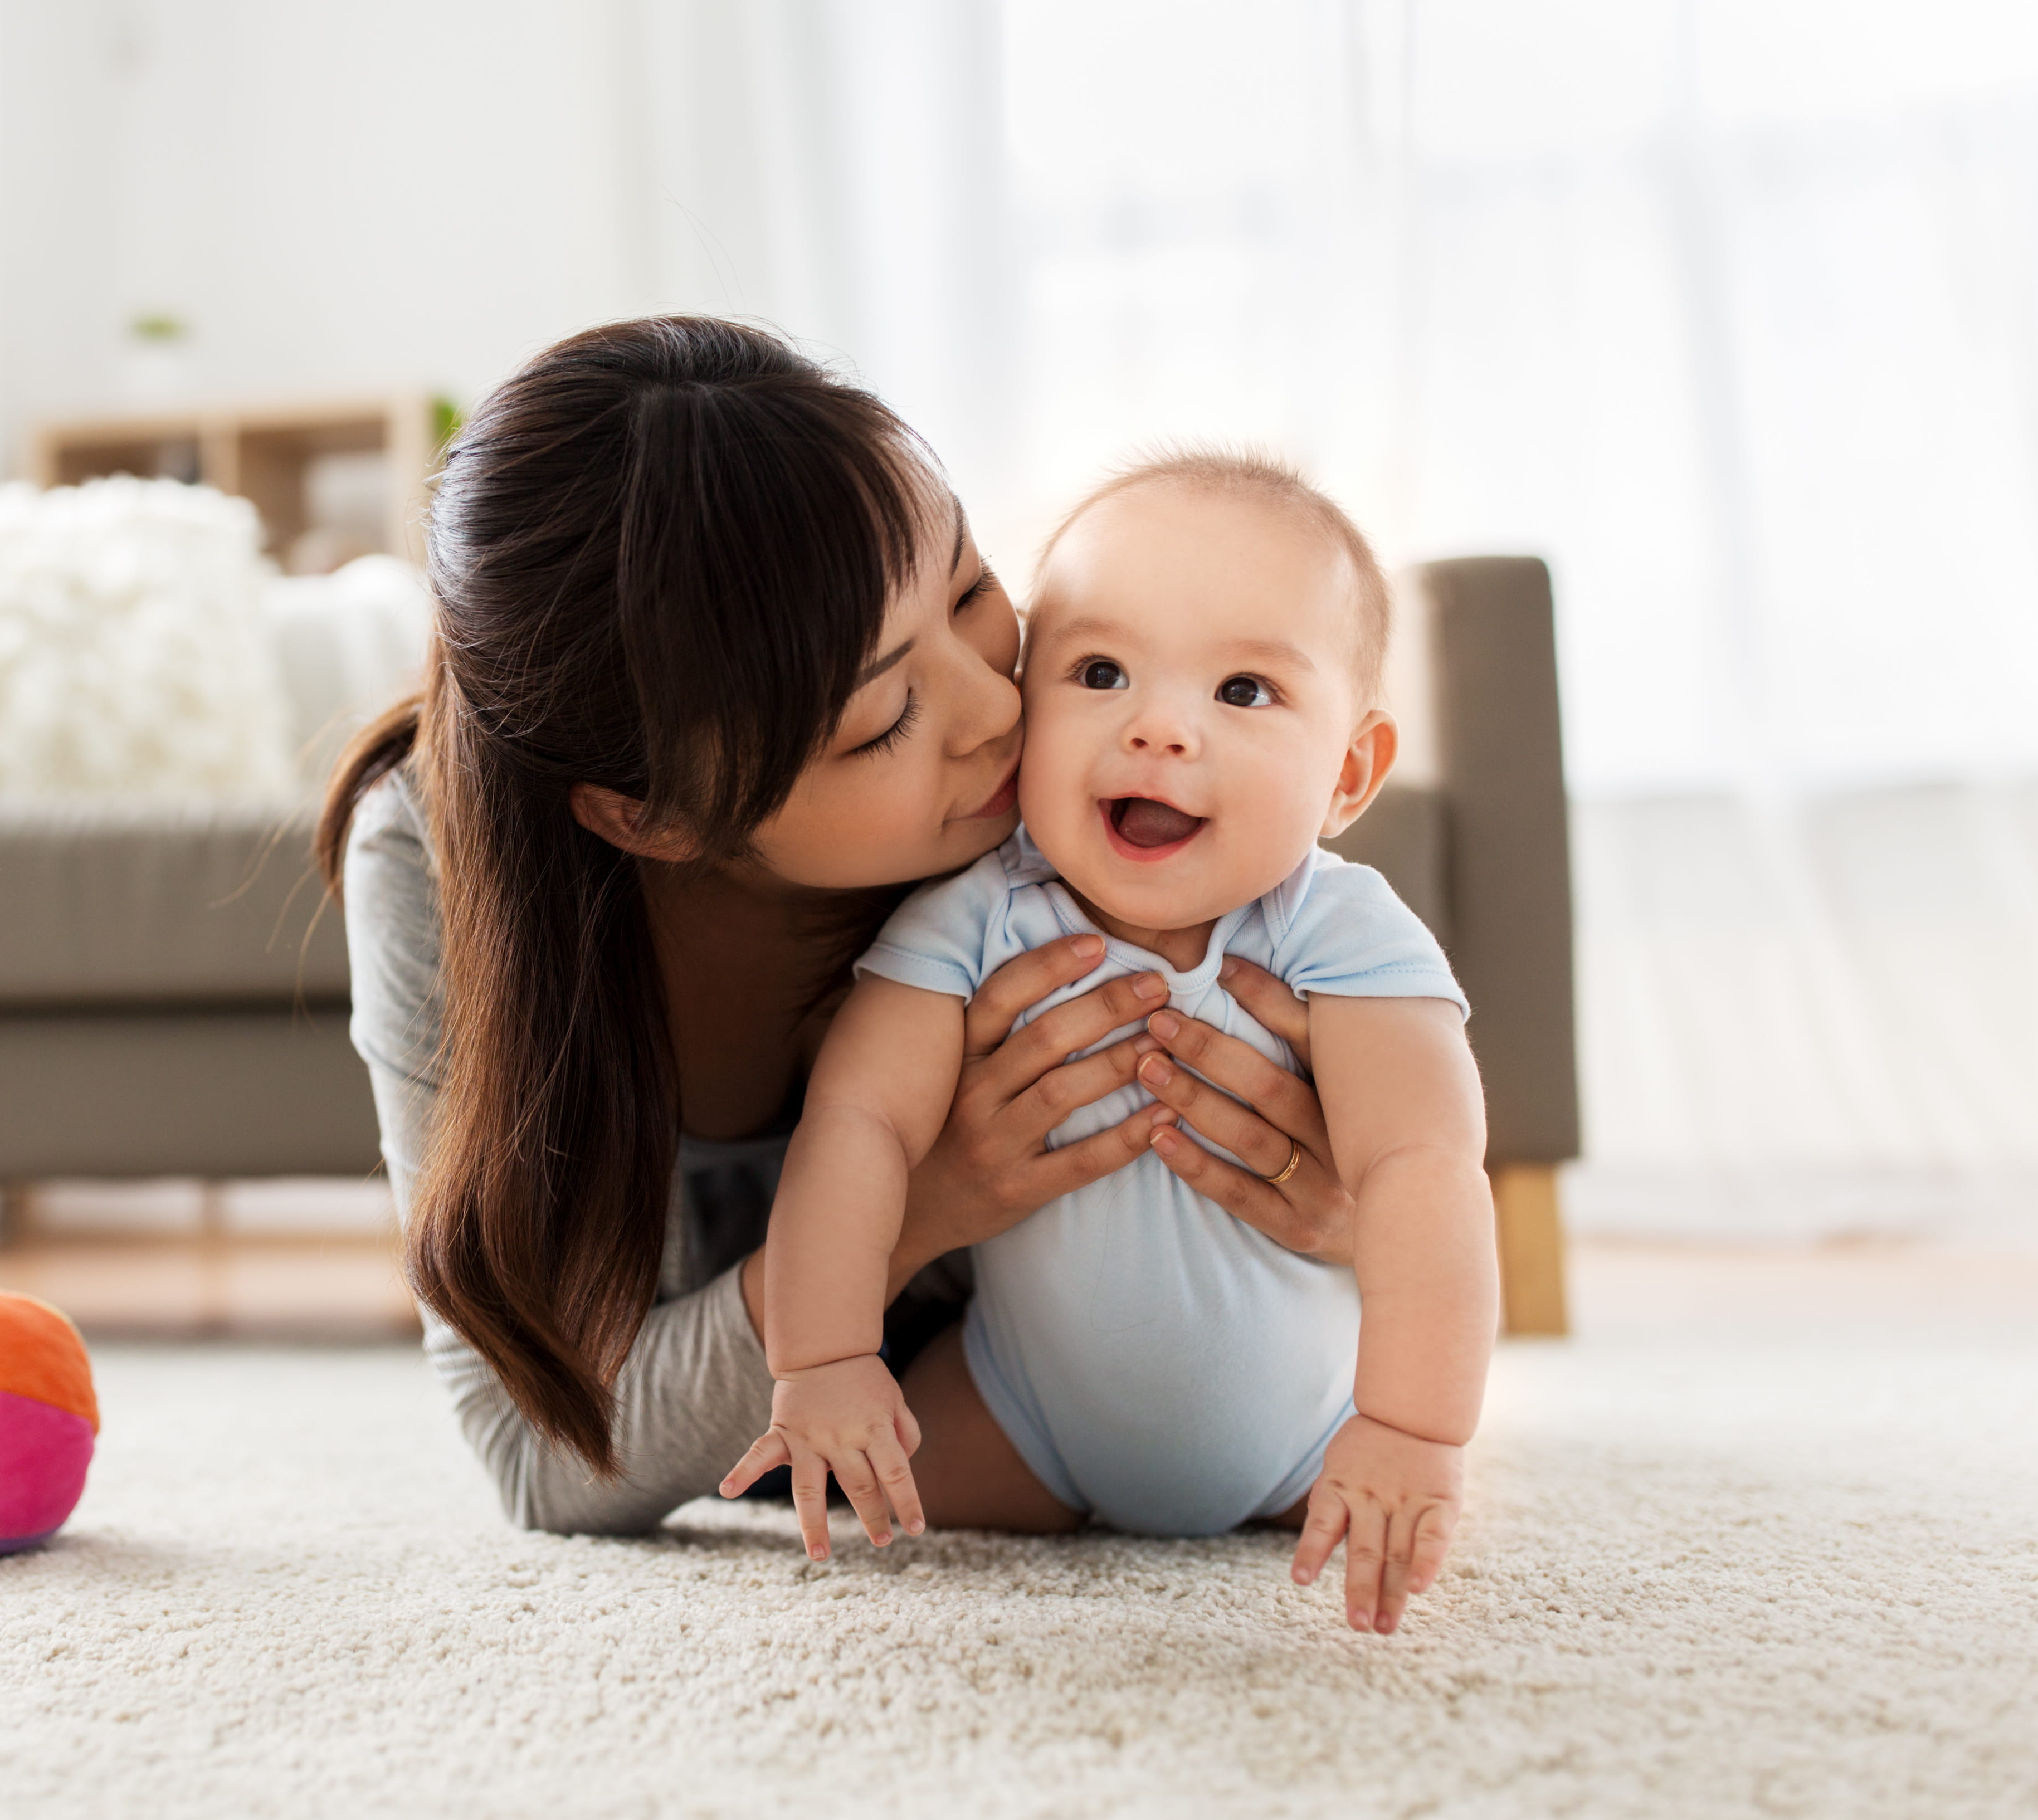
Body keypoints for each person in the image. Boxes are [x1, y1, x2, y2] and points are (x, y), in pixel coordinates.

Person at [319, 316, 1363, 1538]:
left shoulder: (1077, 797)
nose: (995, 711)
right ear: (651, 815)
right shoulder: (433, 859)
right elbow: (543, 1450)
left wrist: (1351, 1212)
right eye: (882, 721)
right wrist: (911, 1206)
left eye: (971, 588)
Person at [725, 453, 1491, 1634]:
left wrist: (1409, 1427)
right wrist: (823, 1359)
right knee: (844, 1507)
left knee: (1390, 1503)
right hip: (1025, 1419)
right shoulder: (972, 916)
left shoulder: (1340, 932)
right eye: (1099, 671)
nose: (1160, 729)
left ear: (1348, 772)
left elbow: (1426, 1167)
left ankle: (1371, 1463)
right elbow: (859, 1124)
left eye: (1244, 691)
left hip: (1309, 1438)